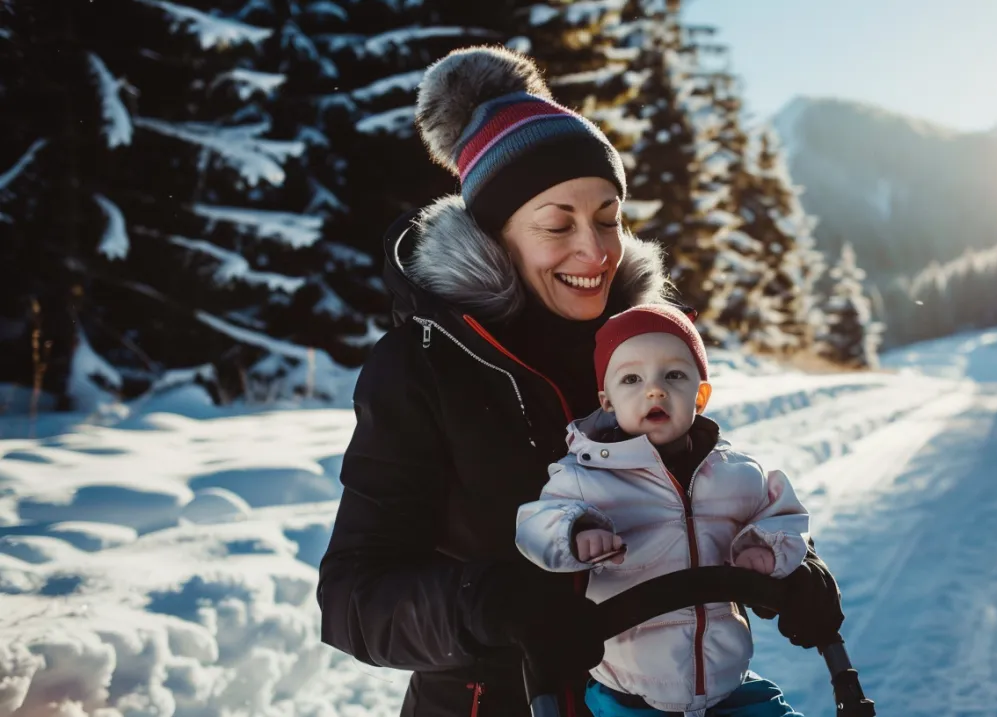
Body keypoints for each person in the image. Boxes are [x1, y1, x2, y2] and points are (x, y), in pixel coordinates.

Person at [316, 45, 845, 717]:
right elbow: (353, 596)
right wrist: (483, 603)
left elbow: (700, 487)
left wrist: (792, 565)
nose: (594, 252)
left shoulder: (636, 341)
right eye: (557, 223)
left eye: (607, 217)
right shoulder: (423, 365)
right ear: (495, 233)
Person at [516, 304, 812, 716]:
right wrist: (576, 530)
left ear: (701, 395)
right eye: (632, 379)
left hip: (730, 684)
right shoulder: (585, 476)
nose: (654, 390)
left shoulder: (736, 473)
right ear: (608, 400)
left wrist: (764, 545)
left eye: (673, 375)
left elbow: (783, 514)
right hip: (628, 693)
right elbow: (533, 525)